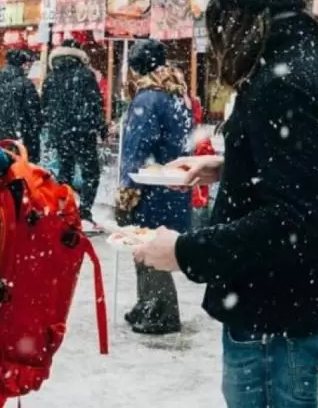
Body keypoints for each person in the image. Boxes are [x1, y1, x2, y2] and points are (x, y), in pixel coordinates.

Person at [133, 0, 318, 408]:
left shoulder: (284, 81)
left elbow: (291, 221)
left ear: (239, 11)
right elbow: (307, 175)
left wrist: (184, 250)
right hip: (295, 305)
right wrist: (231, 164)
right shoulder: (310, 58)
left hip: (273, 315)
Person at [114, 40, 193, 335]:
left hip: (150, 186)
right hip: (172, 185)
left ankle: (161, 311)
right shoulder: (177, 96)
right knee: (152, 246)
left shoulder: (147, 99)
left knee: (147, 247)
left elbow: (136, 150)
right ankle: (146, 304)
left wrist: (127, 189)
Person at [41, 38, 106, 232]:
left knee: (65, 171)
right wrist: (100, 127)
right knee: (91, 173)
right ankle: (84, 213)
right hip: (83, 132)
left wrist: (53, 128)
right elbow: (96, 103)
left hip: (60, 133)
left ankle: (64, 210)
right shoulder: (85, 75)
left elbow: (45, 106)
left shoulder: (51, 77)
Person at [0, 47, 42, 162]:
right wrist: (36, 129)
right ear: (22, 64)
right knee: (24, 169)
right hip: (23, 135)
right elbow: (34, 112)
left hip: (3, 135)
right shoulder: (25, 84)